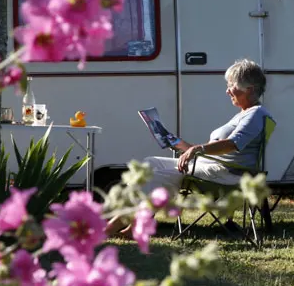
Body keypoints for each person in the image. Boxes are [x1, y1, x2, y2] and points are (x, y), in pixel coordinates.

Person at [105, 59, 273, 235]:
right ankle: (129, 223)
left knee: (154, 175)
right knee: (150, 163)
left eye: (231, 85)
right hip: (213, 167)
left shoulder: (256, 114)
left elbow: (233, 144)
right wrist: (177, 142)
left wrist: (196, 150)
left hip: (227, 174)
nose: (227, 90)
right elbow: (210, 149)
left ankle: (121, 225)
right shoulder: (245, 114)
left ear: (250, 89)